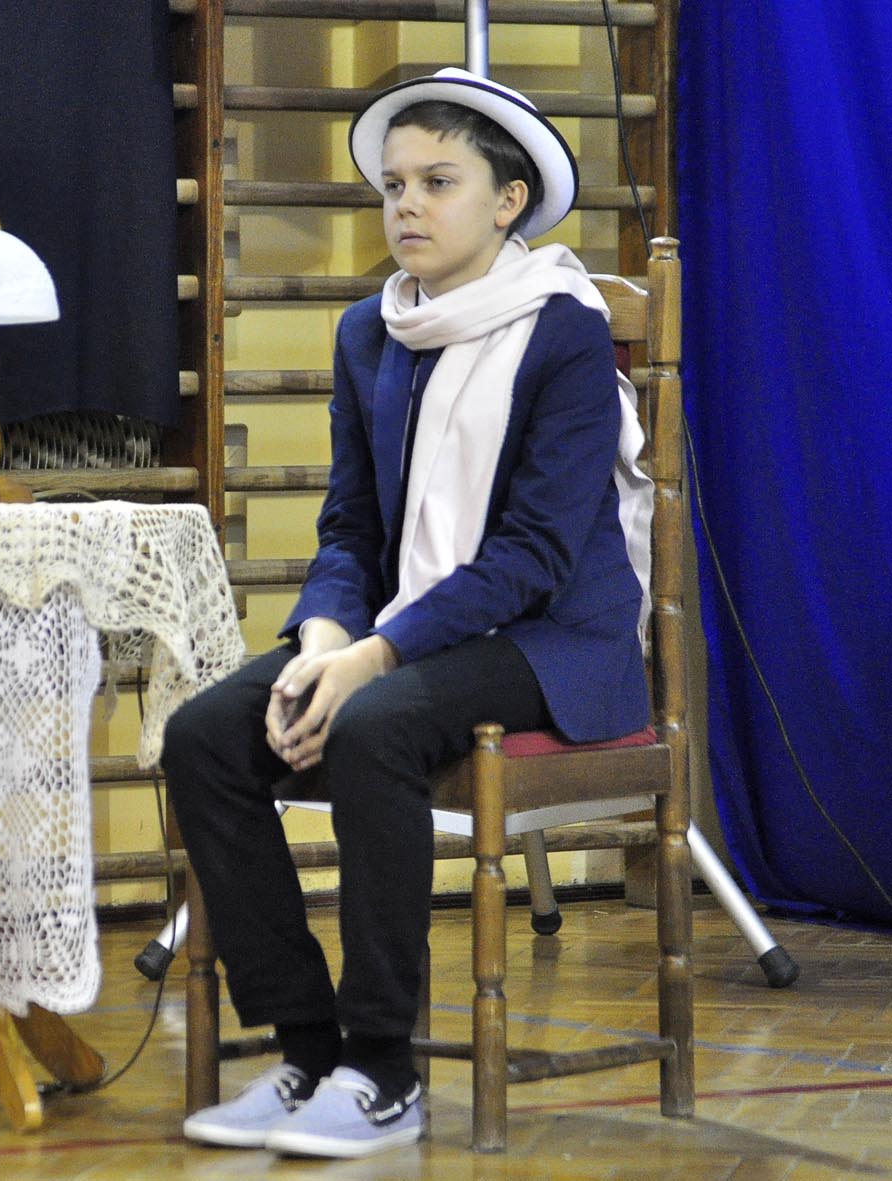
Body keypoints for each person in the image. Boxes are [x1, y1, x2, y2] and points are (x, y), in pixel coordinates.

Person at [163, 67, 654, 1160]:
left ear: (508, 201)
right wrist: (325, 640)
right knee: (205, 734)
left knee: (375, 725)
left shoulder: (565, 331)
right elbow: (349, 528)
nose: (406, 206)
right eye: (393, 185)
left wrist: (373, 659)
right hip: (400, 629)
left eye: (438, 182)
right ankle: (307, 1051)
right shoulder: (367, 332)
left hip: (548, 641)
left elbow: (534, 556)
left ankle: (384, 1070)